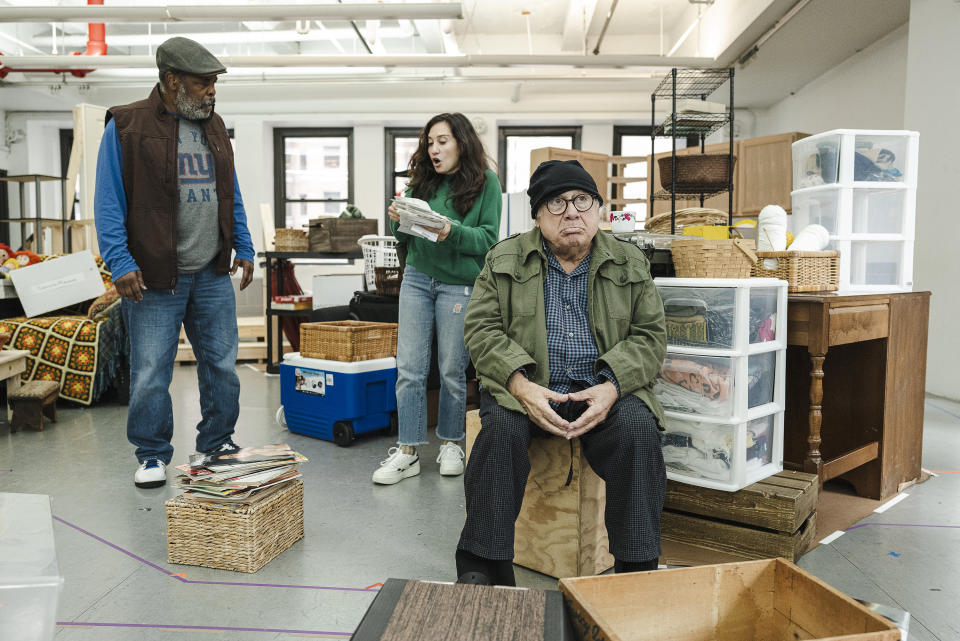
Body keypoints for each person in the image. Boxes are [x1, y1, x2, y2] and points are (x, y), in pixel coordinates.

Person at [455, 160, 667, 585]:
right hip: (529, 388)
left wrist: (611, 388)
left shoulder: (629, 261)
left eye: (582, 200)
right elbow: (480, 330)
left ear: (598, 209)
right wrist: (520, 386)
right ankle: (484, 570)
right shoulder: (503, 258)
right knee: (498, 435)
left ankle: (637, 572)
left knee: (638, 432)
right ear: (537, 215)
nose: (571, 212)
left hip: (604, 391)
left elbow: (650, 336)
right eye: (556, 202)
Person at [94, 37, 255, 489]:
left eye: (214, 84)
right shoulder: (126, 126)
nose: (212, 92)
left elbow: (230, 192)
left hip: (209, 272)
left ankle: (218, 441)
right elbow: (108, 201)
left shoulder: (214, 125)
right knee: (150, 373)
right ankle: (150, 453)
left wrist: (243, 243)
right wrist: (119, 261)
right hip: (151, 279)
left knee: (222, 365)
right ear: (171, 80)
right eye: (204, 83)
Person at [372, 113, 502, 485]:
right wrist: (398, 219)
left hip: (459, 285)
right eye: (430, 142)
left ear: (462, 142)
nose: (434, 149)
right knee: (409, 368)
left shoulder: (486, 183)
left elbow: (488, 240)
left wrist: (451, 231)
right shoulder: (422, 183)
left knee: (451, 370)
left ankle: (450, 443)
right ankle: (409, 451)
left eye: (442, 141)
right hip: (416, 279)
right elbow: (404, 238)